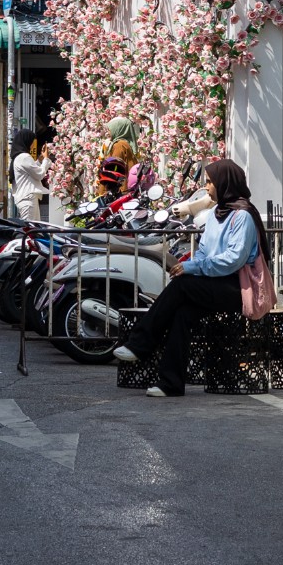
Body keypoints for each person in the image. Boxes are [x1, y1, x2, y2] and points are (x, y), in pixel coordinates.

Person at [114, 158, 266, 397]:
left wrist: (193, 268)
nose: (206, 187)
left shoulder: (243, 216)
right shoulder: (217, 213)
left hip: (237, 287)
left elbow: (233, 260)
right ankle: (170, 383)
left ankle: (140, 344)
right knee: (182, 314)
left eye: (210, 182)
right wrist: (191, 265)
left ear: (225, 183)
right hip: (214, 283)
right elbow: (205, 250)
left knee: (183, 285)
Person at [10, 129, 49, 223]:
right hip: (28, 199)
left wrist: (40, 160)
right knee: (29, 231)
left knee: (33, 231)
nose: (32, 145)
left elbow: (31, 171)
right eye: (32, 142)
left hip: (27, 199)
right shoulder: (24, 157)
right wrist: (46, 159)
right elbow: (39, 174)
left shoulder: (19, 157)